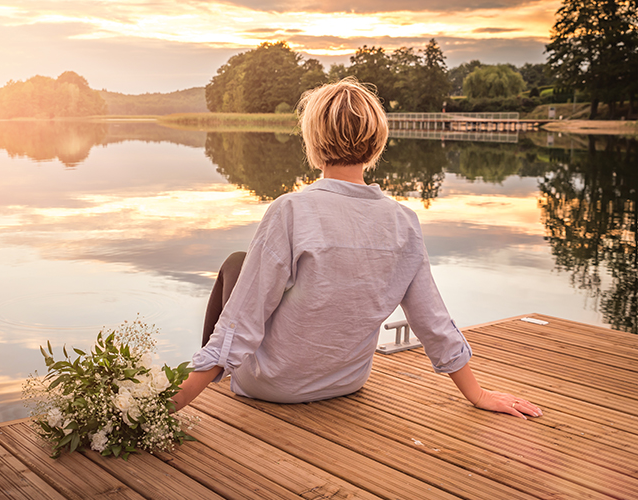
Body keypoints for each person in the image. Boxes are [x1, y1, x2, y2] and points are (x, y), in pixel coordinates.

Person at [172, 78, 542, 420]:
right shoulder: (403, 221)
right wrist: (476, 394)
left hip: (273, 386)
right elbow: (432, 322)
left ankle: (209, 376)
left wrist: (164, 406)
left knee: (237, 264)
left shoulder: (290, 210)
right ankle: (216, 370)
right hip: (346, 383)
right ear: (377, 144)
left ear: (313, 143)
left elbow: (243, 320)